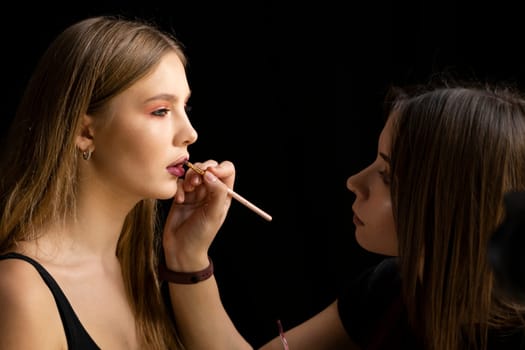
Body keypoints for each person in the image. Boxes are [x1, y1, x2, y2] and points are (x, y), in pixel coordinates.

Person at [166, 82, 525, 349]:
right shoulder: (396, 286)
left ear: (455, 203)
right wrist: (188, 253)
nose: (355, 182)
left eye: (387, 176)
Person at [0, 15, 245, 349]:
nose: (190, 133)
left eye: (185, 107)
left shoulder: (137, 272)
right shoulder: (22, 292)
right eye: (161, 111)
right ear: (85, 132)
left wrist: (190, 256)